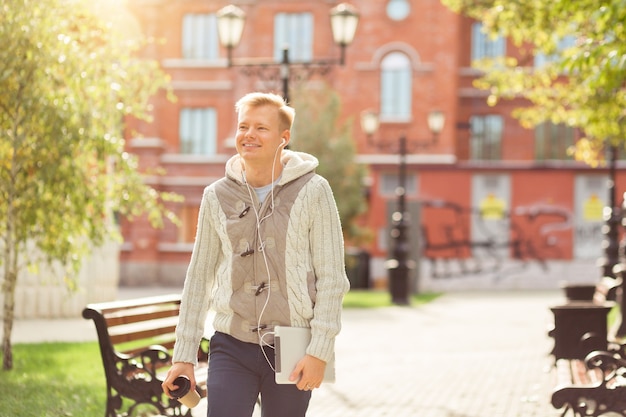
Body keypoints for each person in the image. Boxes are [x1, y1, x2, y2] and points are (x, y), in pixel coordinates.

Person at [162, 91, 350, 417]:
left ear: (283, 138)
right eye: (243, 126)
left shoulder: (314, 190)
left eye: (261, 128)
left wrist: (319, 351)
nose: (249, 134)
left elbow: (332, 278)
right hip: (230, 344)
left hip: (293, 344)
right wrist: (184, 356)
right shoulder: (215, 196)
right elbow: (199, 280)